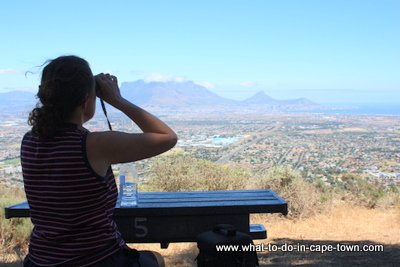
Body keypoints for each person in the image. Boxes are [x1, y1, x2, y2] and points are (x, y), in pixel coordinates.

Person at [21, 55, 177, 267]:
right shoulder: (94, 144)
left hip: (41, 260)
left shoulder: (29, 141)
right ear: (86, 101)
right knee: (157, 259)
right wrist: (117, 100)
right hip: (96, 259)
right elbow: (168, 137)